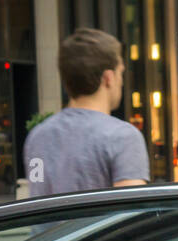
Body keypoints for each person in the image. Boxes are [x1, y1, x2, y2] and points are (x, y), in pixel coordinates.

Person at [24, 28, 149, 197]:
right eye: (121, 73)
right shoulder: (123, 137)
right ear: (108, 78)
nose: (121, 81)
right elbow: (133, 212)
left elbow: (35, 205)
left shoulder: (38, 137)